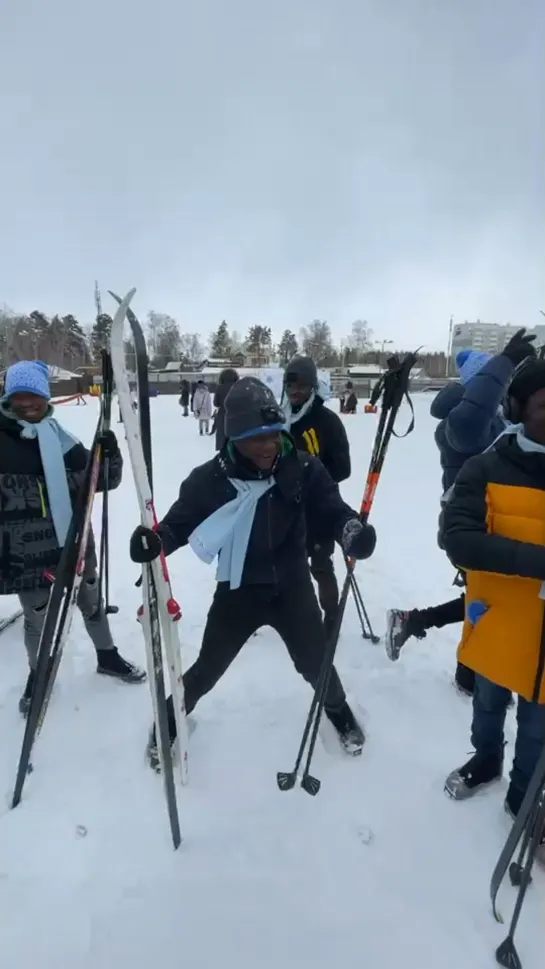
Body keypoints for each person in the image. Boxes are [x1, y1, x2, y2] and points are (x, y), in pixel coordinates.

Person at [129, 376, 377, 768]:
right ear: (233, 438)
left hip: (292, 585)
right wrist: (154, 543)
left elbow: (332, 509)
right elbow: (178, 525)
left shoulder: (302, 468)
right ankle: (168, 720)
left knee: (316, 661)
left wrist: (350, 531)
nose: (268, 446)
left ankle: (339, 710)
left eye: (274, 434)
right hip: (239, 587)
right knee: (208, 668)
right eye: (255, 437)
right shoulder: (210, 479)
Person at [386, 329, 536, 696]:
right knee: (486, 595)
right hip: (472, 524)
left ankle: (431, 638)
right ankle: (463, 667)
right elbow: (476, 420)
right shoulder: (461, 426)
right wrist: (504, 365)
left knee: (485, 594)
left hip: (499, 520)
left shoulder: (495, 422)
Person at [441, 358, 545, 862]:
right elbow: (459, 541)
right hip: (496, 615)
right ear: (518, 408)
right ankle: (485, 761)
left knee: (539, 723)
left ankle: (524, 798)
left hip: (544, 632)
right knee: (488, 702)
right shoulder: (483, 467)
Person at [0, 360, 146, 716]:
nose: (28, 403)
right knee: (38, 617)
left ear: (46, 397)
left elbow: (103, 481)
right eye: (20, 396)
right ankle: (40, 674)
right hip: (24, 552)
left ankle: (107, 656)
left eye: (34, 395)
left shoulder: (61, 438)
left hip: (75, 540)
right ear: (9, 397)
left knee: (92, 602)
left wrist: (109, 457)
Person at [283, 356, 351, 637]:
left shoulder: (327, 421)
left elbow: (343, 468)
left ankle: (331, 617)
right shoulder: (281, 417)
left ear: (313, 387)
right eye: (290, 385)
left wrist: (316, 478)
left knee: (321, 565)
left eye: (302, 385)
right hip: (287, 506)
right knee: (288, 563)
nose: (295, 391)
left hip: (320, 507)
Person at [213, 368, 239, 450]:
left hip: (223, 416)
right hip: (236, 415)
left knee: (222, 439)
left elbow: (216, 403)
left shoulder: (219, 388)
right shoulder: (238, 387)